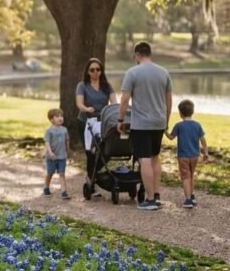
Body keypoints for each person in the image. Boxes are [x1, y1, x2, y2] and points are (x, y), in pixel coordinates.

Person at [117, 41, 172, 211]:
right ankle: (156, 195)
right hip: (159, 122)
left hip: (141, 123)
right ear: (150, 54)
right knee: (155, 158)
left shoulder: (132, 73)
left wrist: (120, 120)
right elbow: (168, 101)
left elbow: (125, 99)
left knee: (145, 160)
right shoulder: (163, 73)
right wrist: (166, 121)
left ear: (137, 55)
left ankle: (149, 200)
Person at [76, 58, 117, 191]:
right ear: (88, 72)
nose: (95, 72)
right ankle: (91, 180)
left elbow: (114, 102)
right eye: (92, 70)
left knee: (108, 150)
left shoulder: (107, 86)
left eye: (98, 69)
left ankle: (93, 175)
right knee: (91, 153)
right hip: (86, 121)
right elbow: (79, 103)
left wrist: (116, 113)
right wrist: (86, 109)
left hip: (102, 122)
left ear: (101, 71)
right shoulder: (82, 86)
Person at [166, 99, 208, 209]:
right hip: (195, 155)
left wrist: (164, 130)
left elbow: (171, 137)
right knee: (191, 175)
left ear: (180, 113)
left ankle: (188, 199)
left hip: (183, 156)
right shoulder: (197, 125)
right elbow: (203, 139)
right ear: (192, 112)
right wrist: (206, 152)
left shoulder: (179, 126)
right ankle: (192, 195)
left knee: (185, 176)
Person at [43, 108, 70, 199]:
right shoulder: (49, 131)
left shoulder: (64, 130)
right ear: (51, 120)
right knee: (50, 173)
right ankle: (46, 187)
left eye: (61, 116)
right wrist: (50, 152)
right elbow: (47, 143)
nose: (60, 118)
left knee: (62, 174)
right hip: (52, 157)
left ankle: (64, 192)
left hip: (62, 156)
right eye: (57, 116)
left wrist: (67, 151)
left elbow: (67, 141)